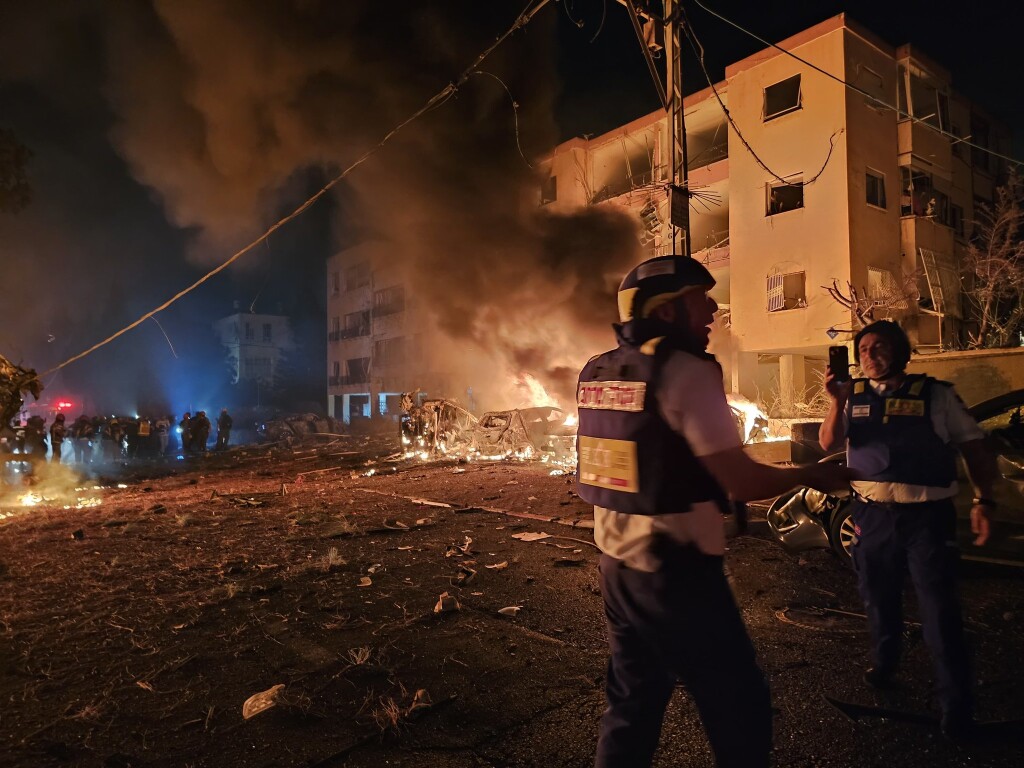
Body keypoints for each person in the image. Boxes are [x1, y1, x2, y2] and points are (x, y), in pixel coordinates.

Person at [577, 255, 854, 768]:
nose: (712, 308)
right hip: (676, 572)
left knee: (633, 705)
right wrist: (810, 475)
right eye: (698, 300)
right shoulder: (687, 372)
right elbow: (741, 479)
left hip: (617, 567)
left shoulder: (598, 371)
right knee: (738, 707)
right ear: (664, 311)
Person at [819, 320, 996, 741]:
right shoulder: (852, 396)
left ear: (900, 351)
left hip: (926, 520)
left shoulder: (937, 395)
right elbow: (828, 443)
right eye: (862, 348)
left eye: (879, 346)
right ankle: (885, 663)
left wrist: (983, 500)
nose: (868, 354)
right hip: (871, 517)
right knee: (877, 598)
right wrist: (835, 400)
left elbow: (974, 447)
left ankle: (956, 706)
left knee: (939, 612)